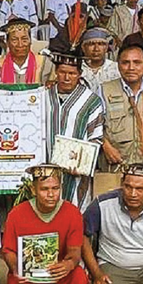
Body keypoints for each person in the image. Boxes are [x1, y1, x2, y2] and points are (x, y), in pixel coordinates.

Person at [2, 164, 88, 284]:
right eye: (44, 189)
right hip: (29, 280)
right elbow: (9, 251)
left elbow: (75, 252)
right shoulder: (17, 214)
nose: (51, 194)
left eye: (55, 188)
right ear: (34, 190)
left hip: (57, 277)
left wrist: (68, 264)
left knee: (79, 275)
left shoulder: (72, 213)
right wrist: (17, 268)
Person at [45, 50, 105, 211]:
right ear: (56, 72)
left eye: (71, 73)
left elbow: (96, 137)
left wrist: (81, 163)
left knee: (75, 211)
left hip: (76, 173)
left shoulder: (91, 101)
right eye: (62, 72)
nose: (66, 77)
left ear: (79, 74)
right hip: (45, 167)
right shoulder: (43, 96)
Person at [98, 44, 143, 187]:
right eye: (125, 62)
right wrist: (105, 146)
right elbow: (93, 125)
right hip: (114, 165)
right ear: (118, 65)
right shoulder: (104, 90)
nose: (131, 67)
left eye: (137, 62)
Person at [0, 19, 50, 84]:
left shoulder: (45, 65)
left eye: (24, 40)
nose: (20, 45)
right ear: (7, 43)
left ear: (30, 41)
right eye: (14, 40)